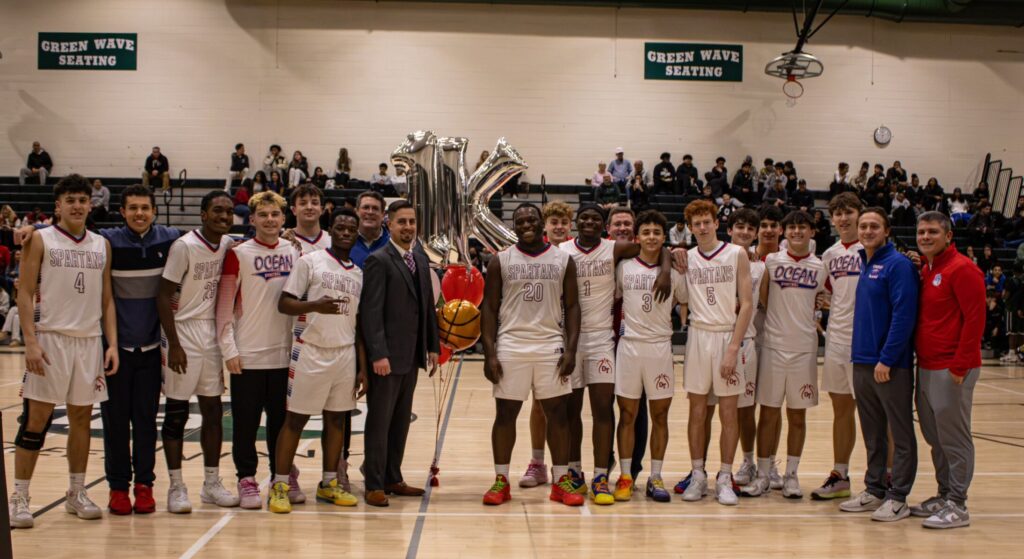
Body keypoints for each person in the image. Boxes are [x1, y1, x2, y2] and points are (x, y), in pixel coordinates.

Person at [9, 175, 118, 529]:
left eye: (82, 200)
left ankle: (76, 492)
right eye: (70, 199)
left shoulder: (102, 244)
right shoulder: (40, 239)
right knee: (36, 420)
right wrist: (31, 341)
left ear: (91, 204)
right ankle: (20, 496)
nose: (76, 205)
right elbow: (24, 292)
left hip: (88, 342)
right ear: (58, 205)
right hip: (51, 339)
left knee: (81, 420)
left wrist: (111, 343)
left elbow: (106, 299)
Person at [559, 204, 673, 505]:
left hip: (602, 340)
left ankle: (600, 475)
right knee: (570, 411)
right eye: (583, 217)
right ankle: (573, 472)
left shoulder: (613, 250)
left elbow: (655, 246)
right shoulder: (561, 250)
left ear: (602, 226)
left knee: (604, 409)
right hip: (568, 338)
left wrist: (667, 264)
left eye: (594, 218)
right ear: (575, 222)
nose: (588, 222)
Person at [481, 203, 581, 506]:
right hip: (511, 345)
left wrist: (571, 348)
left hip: (550, 344)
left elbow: (573, 306)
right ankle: (501, 481)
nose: (526, 224)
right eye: (520, 220)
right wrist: (489, 352)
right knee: (505, 415)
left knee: (558, 415)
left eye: (531, 219)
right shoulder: (501, 260)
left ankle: (561, 480)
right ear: (515, 226)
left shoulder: (564, 260)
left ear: (541, 224)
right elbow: (489, 307)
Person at [269, 208, 366, 513]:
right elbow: (284, 303)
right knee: (295, 420)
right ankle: (280, 485)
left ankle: (328, 484)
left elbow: (359, 323)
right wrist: (315, 306)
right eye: (340, 227)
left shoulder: (358, 273)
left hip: (345, 351)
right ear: (331, 229)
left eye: (352, 228)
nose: (346, 232)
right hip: (310, 349)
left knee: (336, 419)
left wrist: (362, 366)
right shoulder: (309, 262)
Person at [215, 191, 299, 510]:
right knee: (246, 424)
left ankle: (281, 477)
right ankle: (246, 479)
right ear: (252, 220)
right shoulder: (239, 253)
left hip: (283, 354)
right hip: (247, 354)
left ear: (283, 218)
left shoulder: (294, 251)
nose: (269, 220)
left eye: (275, 214)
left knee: (281, 423)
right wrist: (229, 349)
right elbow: (223, 307)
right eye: (262, 215)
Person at [156, 190, 239, 513]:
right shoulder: (184, 246)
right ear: (203, 214)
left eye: (229, 211)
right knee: (176, 412)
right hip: (183, 329)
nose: (224, 216)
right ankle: (176, 486)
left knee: (213, 411)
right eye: (217, 210)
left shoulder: (230, 245)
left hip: (212, 331)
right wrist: (173, 343)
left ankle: (211, 482)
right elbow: (163, 296)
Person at [840, 208, 918, 522]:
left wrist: (887, 357)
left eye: (875, 226)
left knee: (899, 431)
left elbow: (904, 314)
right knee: (872, 432)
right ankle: (874, 489)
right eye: (864, 226)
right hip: (862, 361)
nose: (868, 230)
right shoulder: (865, 261)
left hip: (889, 364)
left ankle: (898, 496)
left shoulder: (898, 264)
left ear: (886, 230)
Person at [360, 200, 440, 507]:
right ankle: (374, 484)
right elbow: (371, 312)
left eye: (411, 221)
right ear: (388, 225)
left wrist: (432, 345)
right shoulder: (378, 260)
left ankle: (393, 477)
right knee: (379, 423)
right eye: (401, 222)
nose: (408, 227)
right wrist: (378, 354)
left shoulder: (418, 258)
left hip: (411, 355)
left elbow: (426, 307)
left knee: (400, 421)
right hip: (387, 359)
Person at [911, 211, 986, 528]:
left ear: (948, 236)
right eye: (921, 232)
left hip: (951, 369)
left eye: (932, 232)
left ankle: (959, 503)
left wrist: (961, 364)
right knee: (935, 437)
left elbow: (975, 320)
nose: (926, 237)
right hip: (926, 366)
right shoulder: (929, 270)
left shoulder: (963, 269)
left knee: (954, 439)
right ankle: (944, 495)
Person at [743, 210, 823, 499]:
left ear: (812, 232)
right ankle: (764, 474)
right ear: (784, 232)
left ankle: (791, 474)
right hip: (774, 347)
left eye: (803, 227)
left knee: (798, 416)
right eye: (792, 227)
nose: (797, 232)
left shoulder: (820, 265)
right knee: (768, 412)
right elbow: (762, 297)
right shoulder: (772, 262)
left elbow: (827, 297)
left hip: (804, 348)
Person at [679, 200, 753, 506]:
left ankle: (725, 476)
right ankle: (698, 474)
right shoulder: (686, 258)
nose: (703, 227)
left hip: (727, 335)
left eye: (707, 221)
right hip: (698, 336)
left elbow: (747, 303)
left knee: (728, 411)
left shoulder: (736, 254)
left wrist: (733, 348)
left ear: (716, 223)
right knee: (697, 410)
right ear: (690, 227)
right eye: (696, 223)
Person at [613, 210, 687, 503]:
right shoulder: (623, 268)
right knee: (628, 415)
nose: (652, 237)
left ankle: (656, 476)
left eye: (657, 232)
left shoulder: (677, 273)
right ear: (637, 237)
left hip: (659, 348)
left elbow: (685, 302)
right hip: (629, 347)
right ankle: (626, 476)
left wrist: (669, 267)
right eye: (646, 232)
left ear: (664, 237)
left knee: (660, 415)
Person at [519, 201, 575, 485]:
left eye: (564, 222)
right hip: (541, 337)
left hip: (576, 336)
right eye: (554, 222)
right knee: (539, 404)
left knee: (567, 408)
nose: (559, 227)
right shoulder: (532, 254)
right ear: (545, 226)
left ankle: (568, 467)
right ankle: (538, 461)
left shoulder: (573, 253)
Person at [813, 193, 864, 501]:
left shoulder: (875, 247)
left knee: (875, 413)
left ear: (860, 214)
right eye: (838, 214)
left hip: (867, 341)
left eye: (849, 212)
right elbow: (826, 293)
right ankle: (840, 474)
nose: (843, 218)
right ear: (832, 220)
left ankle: (883, 478)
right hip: (837, 339)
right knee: (841, 410)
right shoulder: (829, 255)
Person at [350, 191, 390, 268]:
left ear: (383, 215)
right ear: (356, 212)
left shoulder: (393, 243)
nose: (370, 212)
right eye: (366, 207)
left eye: (375, 208)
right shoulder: (345, 242)